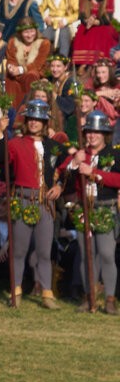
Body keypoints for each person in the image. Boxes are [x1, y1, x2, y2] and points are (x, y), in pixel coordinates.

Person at [2, 100, 65, 309]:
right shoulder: (15, 144)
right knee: (19, 250)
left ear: (45, 122)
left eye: (39, 120)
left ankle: (47, 293)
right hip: (22, 199)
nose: (35, 123)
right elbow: (0, 162)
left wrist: (59, 186)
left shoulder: (54, 146)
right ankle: (16, 290)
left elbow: (68, 169)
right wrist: (0, 136)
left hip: (44, 202)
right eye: (32, 119)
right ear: (26, 121)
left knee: (45, 252)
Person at [66, 111, 119, 313]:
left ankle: (110, 299)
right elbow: (67, 180)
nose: (92, 136)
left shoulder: (114, 154)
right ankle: (89, 297)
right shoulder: (81, 154)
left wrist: (94, 173)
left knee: (106, 253)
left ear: (104, 134)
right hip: (84, 209)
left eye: (97, 132)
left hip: (105, 207)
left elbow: (118, 180)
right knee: (86, 253)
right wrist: (74, 164)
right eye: (89, 132)